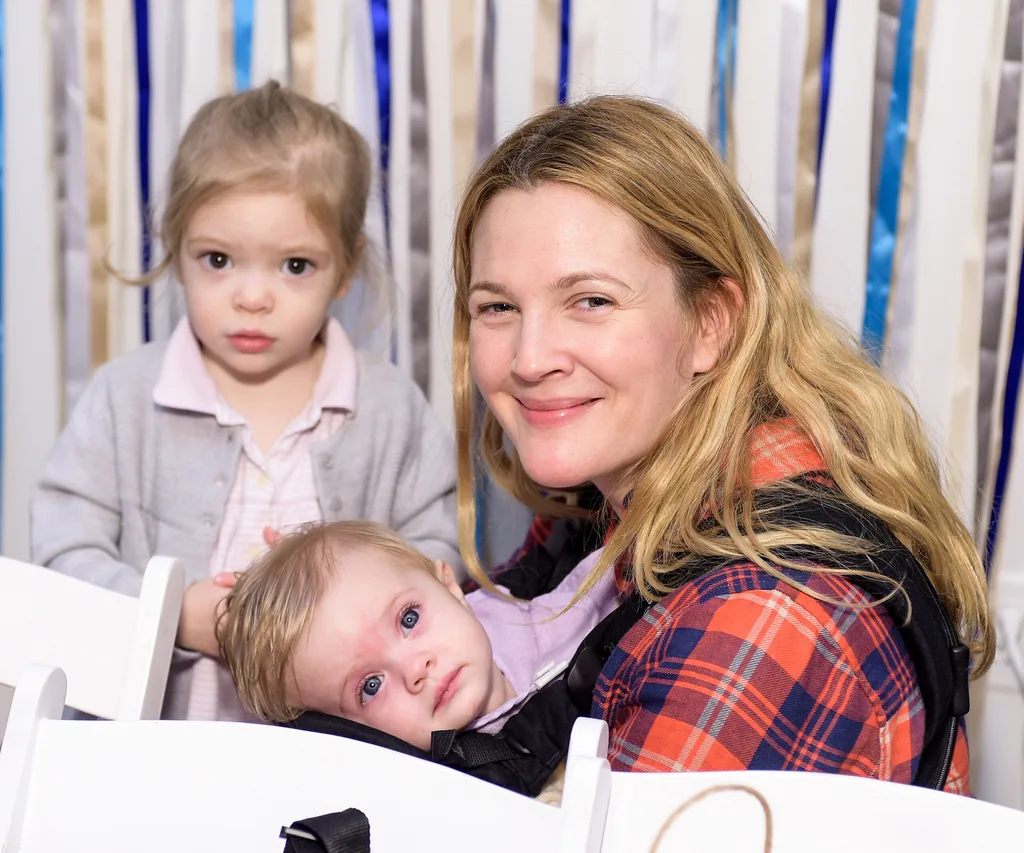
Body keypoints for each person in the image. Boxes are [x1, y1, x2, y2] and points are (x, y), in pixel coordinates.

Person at [450, 95, 992, 793]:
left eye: (591, 301)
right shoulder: (608, 495)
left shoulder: (764, 612)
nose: (529, 359)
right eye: (498, 306)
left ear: (710, 322)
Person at [30, 81, 460, 721]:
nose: (252, 298)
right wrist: (174, 614)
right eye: (218, 259)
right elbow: (60, 556)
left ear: (346, 267)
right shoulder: (124, 398)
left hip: (330, 754)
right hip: (148, 747)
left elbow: (438, 558)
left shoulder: (389, 410)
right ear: (176, 248)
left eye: (294, 266)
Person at [218, 520, 616, 754]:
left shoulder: (530, 617)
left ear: (450, 587)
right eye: (371, 685)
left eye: (408, 619)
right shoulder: (432, 791)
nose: (414, 669)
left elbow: (619, 573)